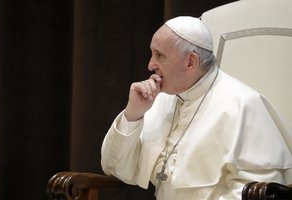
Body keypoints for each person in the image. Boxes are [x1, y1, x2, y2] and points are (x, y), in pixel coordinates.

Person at [100, 16, 292, 199]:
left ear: (191, 62)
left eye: (160, 56)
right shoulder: (161, 100)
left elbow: (258, 192)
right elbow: (114, 167)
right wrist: (134, 114)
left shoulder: (243, 105)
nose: (150, 65)